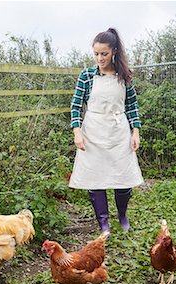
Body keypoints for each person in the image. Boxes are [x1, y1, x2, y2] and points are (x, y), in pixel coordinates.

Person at [68, 28, 144, 233]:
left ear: (114, 52)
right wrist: (77, 131)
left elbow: (132, 106)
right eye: (96, 54)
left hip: (119, 132)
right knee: (96, 178)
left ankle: (122, 215)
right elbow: (76, 106)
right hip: (93, 132)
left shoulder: (124, 77)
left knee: (123, 178)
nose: (100, 58)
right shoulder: (87, 76)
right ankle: (103, 223)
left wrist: (135, 131)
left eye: (104, 54)